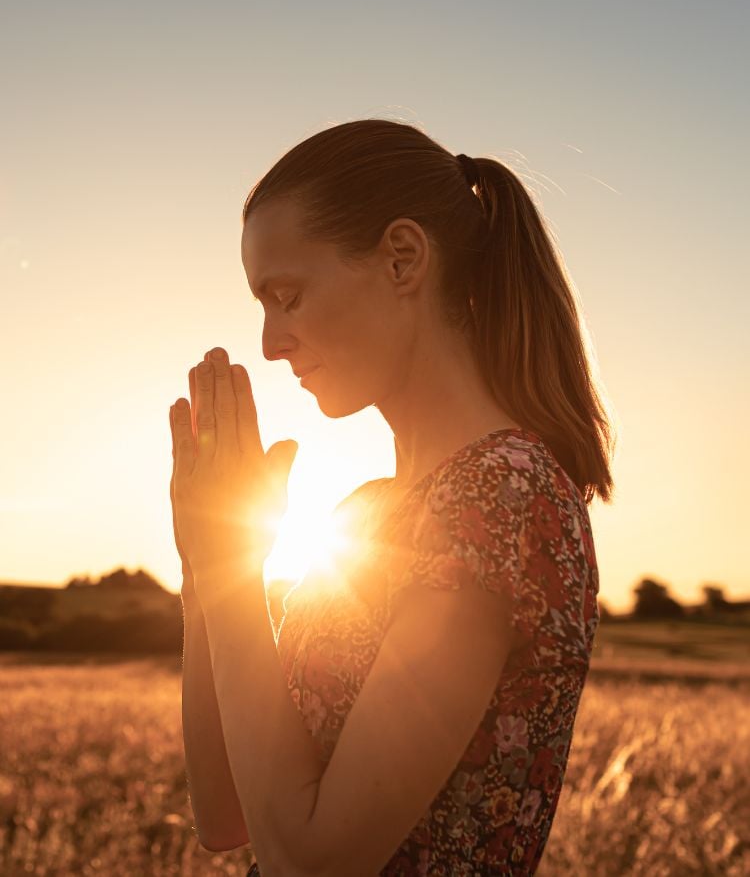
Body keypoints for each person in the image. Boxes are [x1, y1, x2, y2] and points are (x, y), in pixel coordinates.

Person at [172, 118, 615, 876]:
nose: (272, 342)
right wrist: (207, 571)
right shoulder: (369, 514)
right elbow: (225, 815)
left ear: (402, 259)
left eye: (288, 295)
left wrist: (225, 576)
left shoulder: (506, 496)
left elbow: (314, 863)